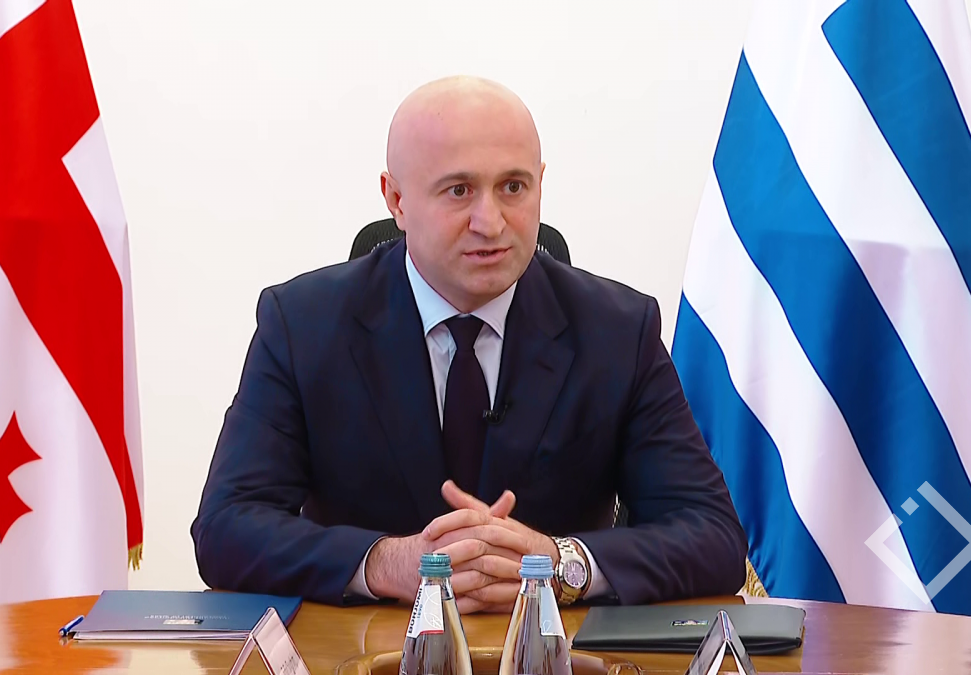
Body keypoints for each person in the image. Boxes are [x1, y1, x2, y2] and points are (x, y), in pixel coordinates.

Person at [191, 76, 747, 612]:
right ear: (396, 199)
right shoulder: (302, 324)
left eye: (513, 187)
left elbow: (714, 536)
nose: (491, 222)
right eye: (459, 191)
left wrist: (559, 564)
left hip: (551, 651)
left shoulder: (619, 330)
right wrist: (387, 563)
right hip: (364, 649)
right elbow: (225, 527)